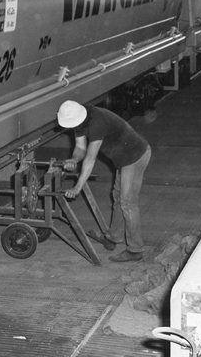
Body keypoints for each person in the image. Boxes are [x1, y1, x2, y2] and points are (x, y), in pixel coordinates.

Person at [56, 100, 152, 262]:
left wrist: (78, 187)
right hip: (123, 159)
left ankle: (135, 250)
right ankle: (113, 237)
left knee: (127, 203)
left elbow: (90, 159)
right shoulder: (80, 118)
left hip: (135, 156)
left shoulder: (97, 123)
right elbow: (80, 148)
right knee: (118, 198)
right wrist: (74, 159)